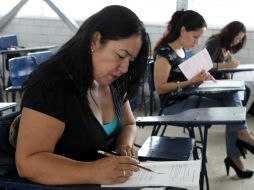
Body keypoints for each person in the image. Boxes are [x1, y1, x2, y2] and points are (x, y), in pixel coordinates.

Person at [15, 5, 150, 185]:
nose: (125, 68)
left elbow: (129, 123)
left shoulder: (113, 82)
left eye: (130, 61)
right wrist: (92, 170)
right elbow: (28, 163)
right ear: (95, 40)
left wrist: (124, 145)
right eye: (120, 55)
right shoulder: (50, 85)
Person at [153, 10, 254, 178]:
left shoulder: (181, 51)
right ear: (183, 30)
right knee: (232, 108)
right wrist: (192, 81)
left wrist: (201, 77)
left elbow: (184, 77)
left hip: (188, 96)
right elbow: (161, 87)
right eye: (195, 37)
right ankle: (240, 143)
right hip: (174, 106)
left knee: (232, 94)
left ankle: (239, 141)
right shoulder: (164, 52)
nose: (197, 42)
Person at [205, 21, 250, 106]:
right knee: (233, 93)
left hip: (220, 79)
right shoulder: (215, 41)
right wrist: (226, 66)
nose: (237, 41)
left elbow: (226, 71)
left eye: (240, 40)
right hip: (210, 80)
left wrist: (230, 70)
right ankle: (236, 116)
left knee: (247, 89)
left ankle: (236, 114)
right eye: (237, 38)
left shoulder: (227, 47)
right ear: (230, 33)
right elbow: (204, 65)